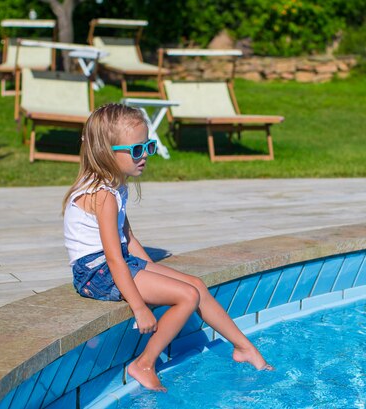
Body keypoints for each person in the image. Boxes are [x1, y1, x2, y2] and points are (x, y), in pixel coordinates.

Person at [62, 104, 272, 392]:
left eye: (148, 145)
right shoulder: (103, 195)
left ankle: (244, 347)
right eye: (137, 150)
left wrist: (155, 270)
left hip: (111, 265)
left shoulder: (114, 185)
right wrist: (139, 307)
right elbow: (112, 257)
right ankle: (144, 363)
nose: (145, 154)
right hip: (95, 273)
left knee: (195, 285)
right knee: (187, 296)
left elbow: (128, 238)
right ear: (107, 152)